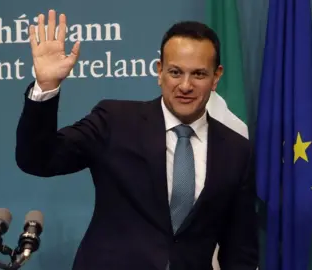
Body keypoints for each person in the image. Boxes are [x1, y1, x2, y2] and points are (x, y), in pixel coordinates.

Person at [15, 9, 258, 270]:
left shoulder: (236, 150)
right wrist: (46, 87)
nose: (185, 85)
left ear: (216, 77)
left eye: (198, 74)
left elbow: (239, 250)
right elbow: (39, 159)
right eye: (175, 72)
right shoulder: (115, 121)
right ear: (159, 71)